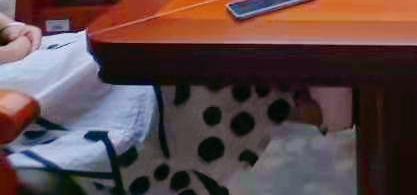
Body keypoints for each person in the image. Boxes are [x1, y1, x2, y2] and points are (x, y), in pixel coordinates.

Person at [0, 10, 294, 192]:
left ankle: (301, 92)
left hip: (30, 58)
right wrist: (17, 47)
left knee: (154, 56)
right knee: (134, 69)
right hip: (14, 84)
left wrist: (9, 28)